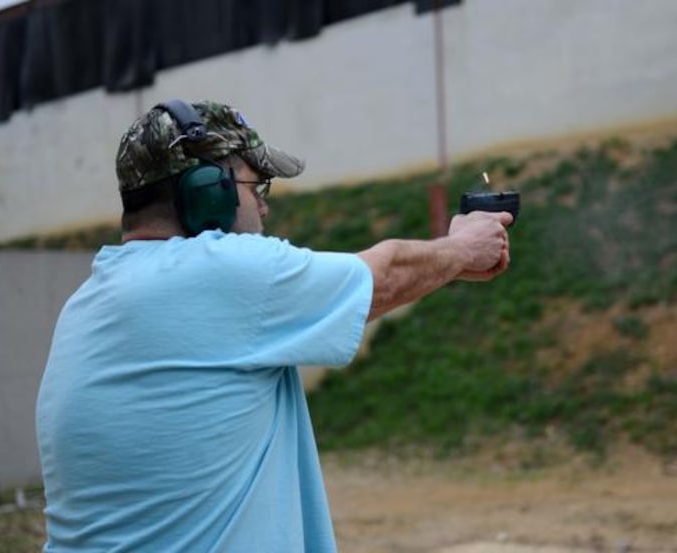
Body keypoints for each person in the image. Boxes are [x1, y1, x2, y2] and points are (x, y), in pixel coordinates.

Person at [36, 99, 511, 552]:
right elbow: (383, 278)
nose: (263, 206)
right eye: (254, 185)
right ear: (207, 191)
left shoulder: (87, 302)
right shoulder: (217, 271)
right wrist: (464, 247)